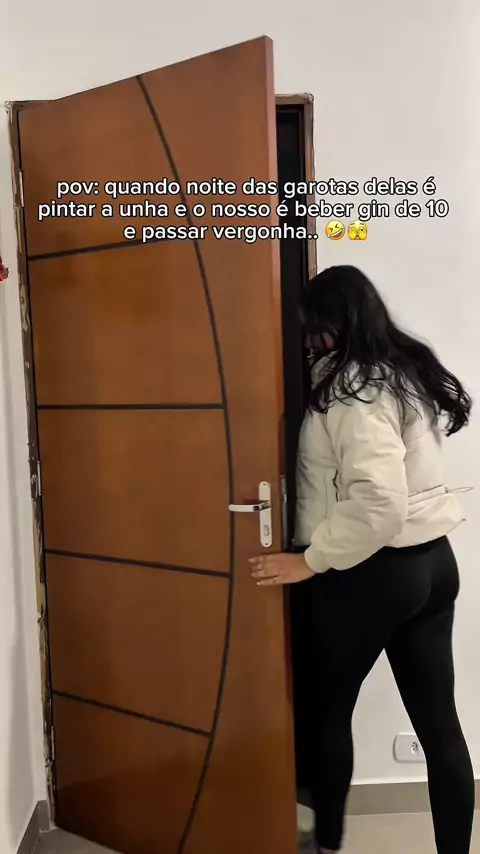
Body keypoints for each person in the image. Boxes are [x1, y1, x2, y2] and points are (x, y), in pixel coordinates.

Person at [249, 265, 475, 854]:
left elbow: (380, 503)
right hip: (433, 564)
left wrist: (312, 559)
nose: (306, 340)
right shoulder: (399, 372)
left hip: (374, 572)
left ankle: (324, 845)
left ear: (338, 323)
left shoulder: (353, 390)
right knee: (440, 726)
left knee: (326, 713)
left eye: (313, 327)